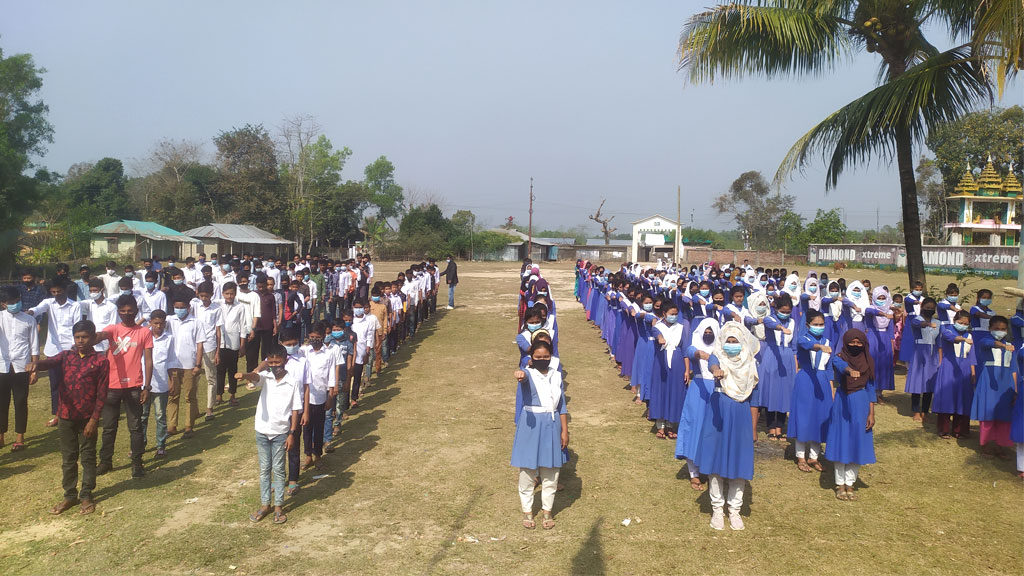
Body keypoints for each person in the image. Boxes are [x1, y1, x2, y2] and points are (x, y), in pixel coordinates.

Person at [30, 320, 108, 515]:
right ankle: (69, 495)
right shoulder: (66, 356)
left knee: (88, 457)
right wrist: (36, 363)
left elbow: (102, 395)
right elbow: (50, 362)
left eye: (84, 337)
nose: (80, 341)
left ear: (93, 338)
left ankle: (86, 495)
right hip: (65, 416)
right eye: (77, 337)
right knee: (68, 457)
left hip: (87, 418)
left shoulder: (101, 361)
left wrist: (93, 420)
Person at [694, 321, 757, 531]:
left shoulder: (751, 365)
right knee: (715, 463)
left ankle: (735, 510)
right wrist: (716, 370)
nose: (731, 345)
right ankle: (717, 509)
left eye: (735, 341)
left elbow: (755, 400)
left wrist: (754, 428)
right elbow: (713, 363)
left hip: (741, 417)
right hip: (718, 414)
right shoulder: (718, 357)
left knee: (739, 465)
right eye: (728, 341)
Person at [237, 345, 302, 525]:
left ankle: (278, 506)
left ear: (285, 361)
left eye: (278, 362)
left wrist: (292, 433)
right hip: (262, 431)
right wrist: (245, 375)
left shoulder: (293, 382)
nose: (274, 365)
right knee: (264, 469)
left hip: (281, 433)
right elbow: (256, 377)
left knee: (279, 470)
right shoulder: (266, 377)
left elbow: (296, 410)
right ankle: (265, 504)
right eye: (271, 362)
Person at [94, 295, 154, 478]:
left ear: (136, 311)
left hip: (134, 386)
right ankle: (105, 461)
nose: (127, 314)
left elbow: (149, 361)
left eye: (130, 311)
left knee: (135, 427)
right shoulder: (112, 330)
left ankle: (137, 463)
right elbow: (100, 336)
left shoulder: (144, 332)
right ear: (118, 312)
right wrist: (87, 340)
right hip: (111, 386)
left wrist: (147, 386)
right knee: (109, 427)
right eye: (123, 311)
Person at [511, 340, 568, 530]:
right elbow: (522, 376)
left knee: (551, 471)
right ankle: (527, 512)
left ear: (551, 357)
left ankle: (547, 511)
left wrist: (564, 430)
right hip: (531, 425)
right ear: (531, 359)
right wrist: (520, 373)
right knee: (527, 471)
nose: (542, 360)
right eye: (538, 357)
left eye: (546, 357)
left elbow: (561, 406)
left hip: (551, 426)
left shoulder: (556, 376)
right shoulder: (529, 373)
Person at [827, 329, 877, 501]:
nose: (855, 346)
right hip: (842, 402)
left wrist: (871, 413)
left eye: (859, 343)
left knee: (857, 442)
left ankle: (850, 483)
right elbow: (838, 364)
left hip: (861, 403)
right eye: (852, 342)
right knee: (842, 441)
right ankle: (840, 484)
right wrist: (848, 369)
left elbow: (871, 389)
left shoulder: (868, 362)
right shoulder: (840, 357)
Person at [28, 277, 82, 428]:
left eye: (59, 291)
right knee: (55, 384)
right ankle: (58, 415)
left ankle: (74, 412)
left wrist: (75, 346)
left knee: (73, 383)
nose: (56, 294)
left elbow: (77, 327)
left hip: (71, 349)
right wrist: (28, 313)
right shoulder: (48, 303)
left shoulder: (75, 306)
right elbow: (36, 310)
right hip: (53, 350)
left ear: (65, 290)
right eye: (53, 292)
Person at [676, 317, 719, 491]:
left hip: (716, 391)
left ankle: (709, 468)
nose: (708, 335)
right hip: (698, 390)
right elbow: (691, 351)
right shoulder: (694, 344)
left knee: (712, 431)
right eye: (705, 332)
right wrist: (701, 354)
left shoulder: (721, 348)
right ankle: (693, 472)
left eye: (711, 332)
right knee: (695, 428)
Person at [788, 310, 833, 473]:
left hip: (823, 383)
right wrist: (819, 347)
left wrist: (831, 390)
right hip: (806, 380)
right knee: (804, 417)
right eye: (816, 324)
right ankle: (800, 456)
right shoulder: (803, 338)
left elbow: (829, 369)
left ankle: (814, 456)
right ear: (808, 325)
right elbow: (806, 345)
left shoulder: (828, 341)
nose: (819, 327)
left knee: (820, 418)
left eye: (821, 325)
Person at [970, 315, 1016, 458]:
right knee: (988, 414)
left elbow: (1014, 369)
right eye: (997, 329)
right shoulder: (985, 341)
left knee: (1004, 416)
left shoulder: (1011, 346)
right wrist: (1002, 345)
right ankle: (985, 445)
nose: (1000, 331)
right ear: (990, 329)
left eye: (1003, 329)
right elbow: (989, 344)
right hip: (989, 384)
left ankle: (1000, 446)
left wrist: (1015, 390)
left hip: (1006, 385)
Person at [0, 286, 39, 452]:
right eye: (11, 303)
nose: (15, 305)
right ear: (3, 304)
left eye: (17, 301)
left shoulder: (29, 320)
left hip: (21, 366)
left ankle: (19, 436)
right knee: (2, 403)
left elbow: (35, 346)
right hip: (2, 365)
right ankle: (1, 435)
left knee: (21, 402)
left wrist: (35, 370)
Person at [141, 309, 179, 458]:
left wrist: (172, 380)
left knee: (160, 415)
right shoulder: (143, 336)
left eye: (161, 324)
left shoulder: (169, 338)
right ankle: (140, 444)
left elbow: (171, 360)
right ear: (150, 322)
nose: (158, 326)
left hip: (161, 382)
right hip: (144, 382)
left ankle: (161, 445)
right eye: (155, 323)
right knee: (142, 416)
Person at [933, 311, 975, 439]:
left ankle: (959, 430)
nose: (963, 325)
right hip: (949, 368)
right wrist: (963, 339)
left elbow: (971, 356)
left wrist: (973, 373)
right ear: (955, 320)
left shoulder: (969, 335)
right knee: (947, 397)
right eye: (961, 323)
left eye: (966, 324)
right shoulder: (947, 330)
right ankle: (944, 429)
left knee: (963, 398)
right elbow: (951, 338)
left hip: (965, 370)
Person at [167, 294, 204, 438]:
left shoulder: (196, 322)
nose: (179, 310)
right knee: (173, 395)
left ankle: (189, 425)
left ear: (188, 308)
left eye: (182, 308)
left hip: (190, 364)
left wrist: (198, 364)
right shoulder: (170, 320)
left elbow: (200, 344)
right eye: (177, 308)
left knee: (190, 395)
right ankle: (172, 425)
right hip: (173, 364)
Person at [301, 322, 335, 469]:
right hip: (305, 398)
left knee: (318, 427)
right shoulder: (303, 352)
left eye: (317, 337)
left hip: (321, 397)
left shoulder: (328, 354)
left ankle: (318, 455)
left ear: (323, 337)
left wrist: (330, 397)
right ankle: (308, 455)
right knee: (306, 429)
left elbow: (331, 377)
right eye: (312, 337)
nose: (314, 339)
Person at [906, 298, 940, 423]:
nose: (929, 310)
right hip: (919, 353)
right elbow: (916, 324)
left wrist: (940, 359)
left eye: (932, 308)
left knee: (929, 384)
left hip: (933, 354)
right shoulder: (917, 319)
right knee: (917, 382)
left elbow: (939, 342)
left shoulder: (938, 322)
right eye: (927, 307)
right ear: (922, 307)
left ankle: (925, 411)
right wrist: (927, 324)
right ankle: (915, 410)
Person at [217, 282, 251, 408]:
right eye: (227, 293)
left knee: (232, 370)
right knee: (220, 370)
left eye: (231, 293)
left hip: (234, 343)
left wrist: (242, 345)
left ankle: (232, 395)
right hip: (220, 343)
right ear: (223, 293)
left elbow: (243, 327)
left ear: (235, 294)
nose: (229, 296)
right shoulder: (218, 304)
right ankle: (219, 395)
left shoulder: (240, 307)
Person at [195, 282, 223, 421]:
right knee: (193, 377)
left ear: (211, 295)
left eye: (206, 296)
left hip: (210, 346)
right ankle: (194, 409)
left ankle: (209, 409)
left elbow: (218, 332)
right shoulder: (195, 306)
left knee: (211, 378)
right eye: (202, 296)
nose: (204, 299)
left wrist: (218, 351)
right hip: (194, 346)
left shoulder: (216, 309)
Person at [348, 300, 379, 408]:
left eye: (360, 307)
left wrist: (368, 350)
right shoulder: (350, 320)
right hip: (349, 353)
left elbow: (369, 336)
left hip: (361, 352)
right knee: (347, 377)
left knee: (357, 376)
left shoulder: (368, 321)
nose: (358, 309)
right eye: (356, 307)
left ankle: (354, 398)